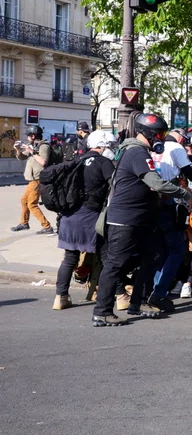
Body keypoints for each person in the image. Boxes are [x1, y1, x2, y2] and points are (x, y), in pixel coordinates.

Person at [92, 113, 192, 326]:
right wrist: (184, 194)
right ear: (148, 133)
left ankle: (137, 303)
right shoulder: (137, 152)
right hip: (125, 219)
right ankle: (101, 311)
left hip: (141, 218)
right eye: (160, 134)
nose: (161, 139)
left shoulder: (138, 151)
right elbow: (156, 183)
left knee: (153, 255)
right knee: (115, 264)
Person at [52, 130, 116, 311]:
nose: (110, 149)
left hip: (69, 217)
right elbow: (116, 186)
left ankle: (60, 297)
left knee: (69, 258)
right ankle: (120, 295)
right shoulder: (104, 162)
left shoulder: (76, 161)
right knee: (108, 257)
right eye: (109, 146)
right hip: (90, 217)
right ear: (102, 145)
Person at [151, 130, 192, 302]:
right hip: (168, 200)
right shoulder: (176, 148)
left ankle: (151, 289)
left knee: (159, 250)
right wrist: (190, 158)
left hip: (150, 202)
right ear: (180, 139)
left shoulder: (152, 147)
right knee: (176, 249)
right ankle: (159, 293)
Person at [12, 125, 55, 235]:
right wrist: (18, 150)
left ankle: (47, 226)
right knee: (24, 200)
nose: (27, 138)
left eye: (28, 136)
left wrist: (32, 151)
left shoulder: (43, 146)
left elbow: (43, 162)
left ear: (33, 135)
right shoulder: (33, 146)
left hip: (39, 179)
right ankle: (24, 223)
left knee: (32, 204)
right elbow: (22, 157)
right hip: (32, 179)